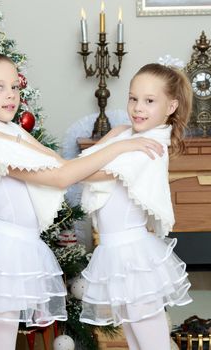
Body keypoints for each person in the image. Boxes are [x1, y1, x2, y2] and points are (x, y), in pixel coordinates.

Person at [0, 50, 164, 350]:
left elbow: (58, 162)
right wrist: (124, 145)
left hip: (15, 246)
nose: (11, 95)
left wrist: (116, 136)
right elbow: (61, 177)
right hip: (3, 252)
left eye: (15, 87)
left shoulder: (8, 130)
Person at [77, 63, 193, 350]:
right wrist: (117, 145)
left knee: (152, 341)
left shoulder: (150, 146)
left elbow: (82, 171)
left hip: (133, 255)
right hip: (113, 251)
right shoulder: (122, 134)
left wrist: (115, 149)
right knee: (134, 336)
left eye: (150, 101)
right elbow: (83, 160)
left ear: (171, 106)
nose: (138, 108)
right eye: (133, 98)